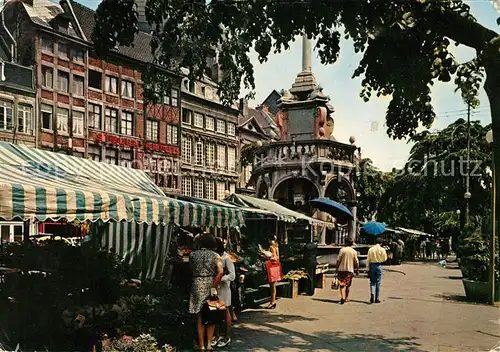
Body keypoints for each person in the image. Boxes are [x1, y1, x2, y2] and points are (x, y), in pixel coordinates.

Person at [188, 235, 223, 351]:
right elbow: (220, 272)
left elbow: (191, 269)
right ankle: (209, 344)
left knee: (199, 316)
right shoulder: (216, 256)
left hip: (197, 283)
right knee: (211, 314)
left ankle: (201, 345)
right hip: (210, 283)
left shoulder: (193, 255)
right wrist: (214, 285)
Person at [211, 238, 235, 349]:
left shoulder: (226, 258)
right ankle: (216, 335)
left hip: (224, 289)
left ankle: (227, 336)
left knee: (225, 312)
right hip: (215, 288)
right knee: (215, 312)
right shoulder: (215, 257)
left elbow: (232, 275)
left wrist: (221, 278)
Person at [335, 239, 359, 304]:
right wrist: (357, 270)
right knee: (348, 285)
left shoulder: (342, 250)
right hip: (350, 270)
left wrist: (336, 268)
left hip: (341, 270)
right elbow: (356, 262)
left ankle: (342, 297)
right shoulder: (354, 251)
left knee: (341, 284)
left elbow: (338, 260)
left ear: (345, 243)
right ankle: (346, 298)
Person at [367, 237, 388, 304]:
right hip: (379, 266)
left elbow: (368, 260)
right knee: (378, 282)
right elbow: (385, 259)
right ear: (381, 243)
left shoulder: (371, 249)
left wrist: (367, 268)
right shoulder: (382, 249)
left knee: (372, 282)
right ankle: (377, 298)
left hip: (372, 265)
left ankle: (372, 294)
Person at [265, 237, 280, 309]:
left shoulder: (271, 247)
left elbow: (273, 257)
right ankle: (273, 301)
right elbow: (278, 257)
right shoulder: (277, 247)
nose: (270, 241)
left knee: (272, 285)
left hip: (272, 266)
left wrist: (265, 255)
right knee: (273, 285)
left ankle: (272, 301)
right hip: (276, 266)